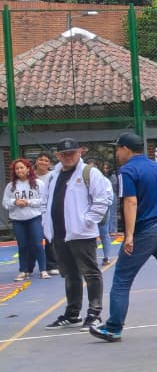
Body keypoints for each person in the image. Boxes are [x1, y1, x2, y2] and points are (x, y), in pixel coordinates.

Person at [90, 132, 157, 343]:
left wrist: (129, 236)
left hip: (144, 229)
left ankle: (114, 328)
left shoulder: (127, 171)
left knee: (122, 279)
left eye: (118, 149)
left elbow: (130, 202)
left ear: (126, 149)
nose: (117, 153)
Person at [42, 139, 113, 330]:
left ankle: (94, 313)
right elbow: (45, 201)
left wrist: (87, 220)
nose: (68, 157)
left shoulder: (89, 173)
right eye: (64, 154)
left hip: (82, 234)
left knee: (90, 272)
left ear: (80, 152)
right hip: (59, 233)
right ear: (57, 156)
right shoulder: (53, 176)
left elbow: (102, 199)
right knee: (70, 274)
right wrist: (45, 222)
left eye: (72, 153)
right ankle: (73, 314)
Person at [4, 158, 48, 281]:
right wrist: (15, 202)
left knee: (37, 244)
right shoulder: (10, 186)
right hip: (18, 220)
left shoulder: (38, 183)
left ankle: (43, 270)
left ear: (28, 169)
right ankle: (23, 271)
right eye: (17, 168)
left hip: (34, 218)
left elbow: (44, 200)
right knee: (22, 245)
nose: (19, 170)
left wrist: (28, 202)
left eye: (22, 167)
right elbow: (5, 203)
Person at [33, 152, 58, 275]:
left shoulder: (53, 176)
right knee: (34, 239)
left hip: (50, 210)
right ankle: (29, 266)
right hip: (33, 211)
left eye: (46, 160)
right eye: (41, 159)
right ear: (36, 161)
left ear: (50, 164)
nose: (43, 162)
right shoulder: (29, 176)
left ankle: (52, 265)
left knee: (50, 238)